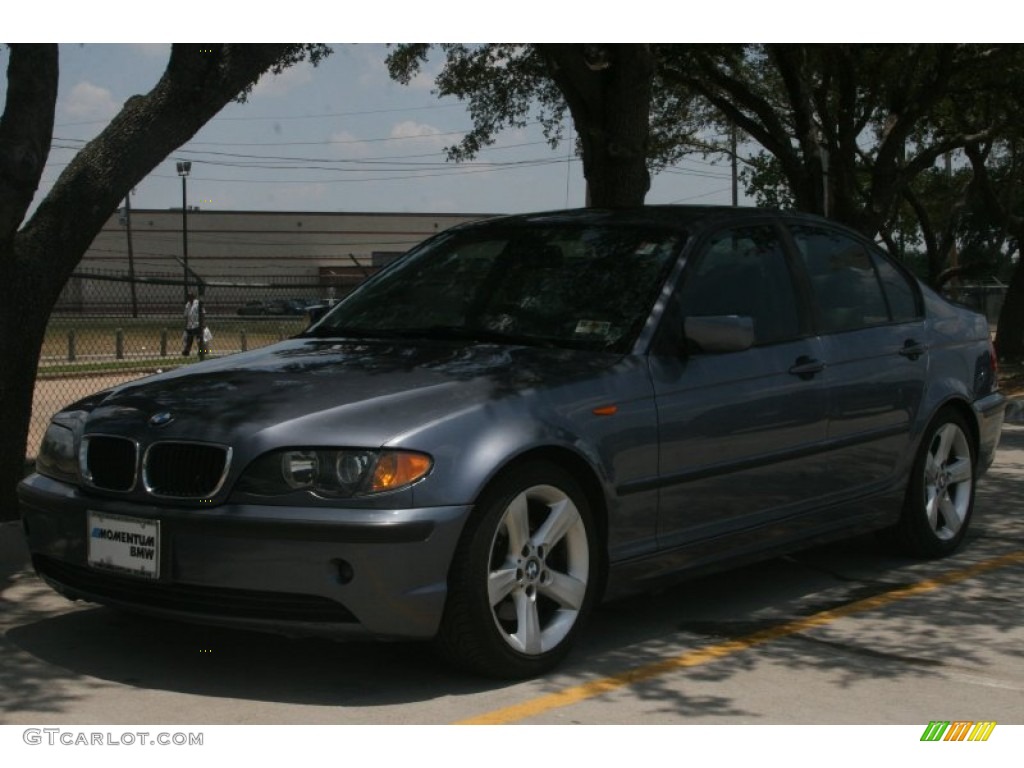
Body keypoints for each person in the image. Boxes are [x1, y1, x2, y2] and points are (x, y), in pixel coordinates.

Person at [182, 292, 202, 356]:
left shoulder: (198, 303)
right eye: (188, 297)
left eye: (190, 296)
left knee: (199, 339)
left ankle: (201, 351)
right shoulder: (187, 305)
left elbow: (203, 313)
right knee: (188, 339)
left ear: (193, 297)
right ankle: (187, 351)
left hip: (197, 324)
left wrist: (203, 323)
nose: (189, 298)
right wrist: (185, 325)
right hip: (189, 325)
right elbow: (186, 316)